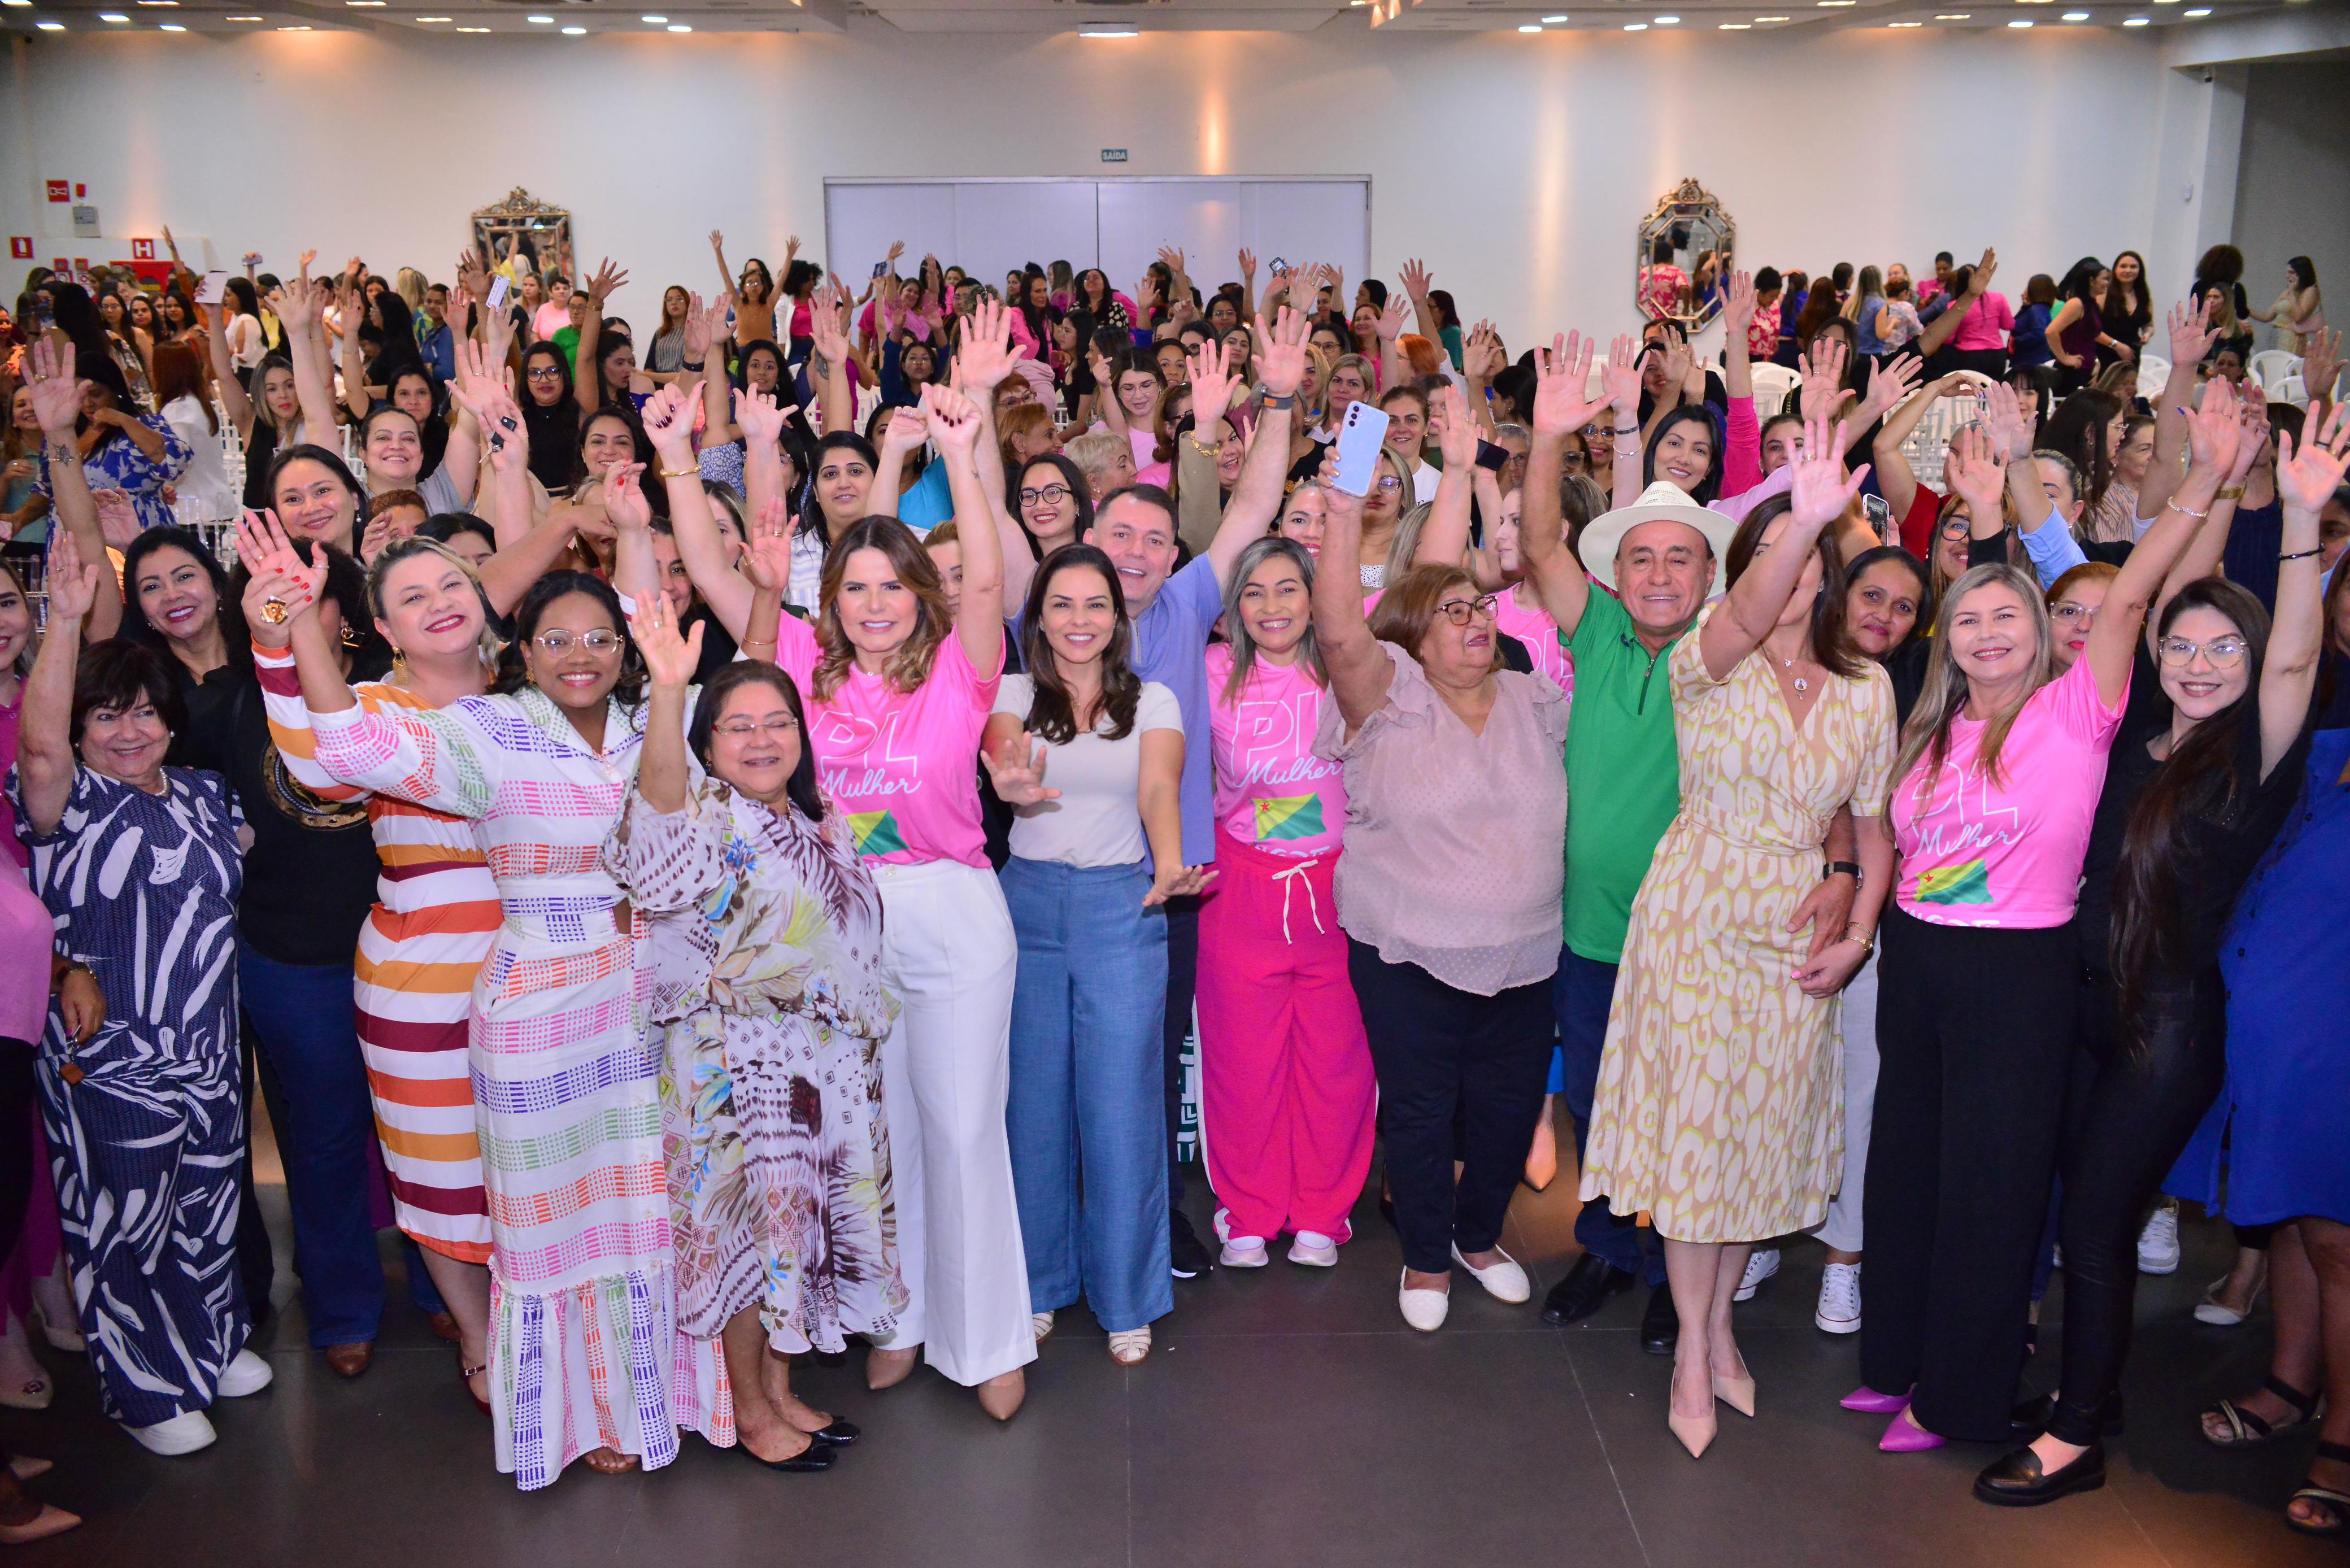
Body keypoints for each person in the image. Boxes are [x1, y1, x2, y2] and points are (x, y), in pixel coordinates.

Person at [286, 494, 727, 1488]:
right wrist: (303, 630)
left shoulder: (657, 715)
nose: (581, 654)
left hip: (649, 1003)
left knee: (651, 1209)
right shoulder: (482, 731)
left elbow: (675, 824)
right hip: (536, 1008)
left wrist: (661, 666)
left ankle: (658, 1395)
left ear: (626, 646)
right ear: (518, 648)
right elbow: (343, 749)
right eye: (556, 639)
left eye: (600, 638)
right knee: (552, 1223)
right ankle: (575, 1416)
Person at [1853, 381, 2235, 1453]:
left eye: (2008, 617)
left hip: (2016, 973)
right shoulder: (1933, 721)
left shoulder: (2080, 711)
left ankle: (1957, 1397)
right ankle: (1897, 1363)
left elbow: (2119, 597)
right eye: (1967, 619)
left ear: (2044, 636)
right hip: (1917, 962)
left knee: (1989, 1191)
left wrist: (2202, 481)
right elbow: (1897, 844)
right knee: (1909, 1171)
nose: (1984, 633)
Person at [1981, 404, 2350, 1506]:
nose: (2197, 661)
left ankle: (2077, 1430)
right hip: (2074, 1009)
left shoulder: (2258, 754)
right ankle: (2073, 1391)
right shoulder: (2135, 716)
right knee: (2066, 1214)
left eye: (2220, 647)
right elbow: (2141, 588)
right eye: (2182, 645)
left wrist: (2295, 512)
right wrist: (2203, 474)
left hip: (2168, 1028)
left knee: (2095, 1222)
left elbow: (2292, 644)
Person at [654, 365, 1038, 1418]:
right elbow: (711, 569)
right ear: (834, 603)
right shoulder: (801, 672)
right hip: (835, 927)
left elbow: (995, 579)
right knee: (884, 1136)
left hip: (951, 910)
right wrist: (680, 458)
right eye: (855, 588)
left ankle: (990, 1337)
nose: (873, 604)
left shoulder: (962, 665)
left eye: (892, 586)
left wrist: (959, 453)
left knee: (962, 1129)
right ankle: (900, 1319)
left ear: (924, 594)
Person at [1579, 409, 1896, 1460]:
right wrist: (1799, 521)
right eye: (1768, 555)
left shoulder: (1867, 687)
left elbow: (1871, 819)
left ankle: (1716, 1332)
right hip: (1699, 915)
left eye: (1808, 553)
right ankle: (1690, 1355)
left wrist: (1855, 921)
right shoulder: (1706, 664)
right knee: (1698, 1144)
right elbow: (1751, 608)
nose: (1791, 572)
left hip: (1798, 937)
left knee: (1754, 1143)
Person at [606, 598, 900, 1473]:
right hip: (737, 1076)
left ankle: (777, 1390)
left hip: (819, 1076)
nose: (762, 740)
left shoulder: (819, 819)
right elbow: (652, 829)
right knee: (744, 1243)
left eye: (779, 723)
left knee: (793, 1242)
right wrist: (667, 689)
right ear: (705, 743)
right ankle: (748, 1413)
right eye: (738, 728)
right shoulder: (700, 815)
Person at [7, 529, 271, 1456]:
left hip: (208, 1044)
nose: (130, 730)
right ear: (81, 728)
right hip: (109, 1058)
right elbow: (38, 748)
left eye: (146, 713)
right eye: (107, 716)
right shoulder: (68, 799)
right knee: (123, 1219)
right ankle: (146, 1387)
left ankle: (209, 1343)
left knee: (208, 1205)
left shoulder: (204, 794)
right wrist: (66, 627)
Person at [1521, 339, 1759, 1349]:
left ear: (1710, 572)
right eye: (1641, 557)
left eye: (1681, 557)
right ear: (1615, 571)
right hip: (1588, 928)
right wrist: (1547, 437)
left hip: (1694, 936)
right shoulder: (1599, 630)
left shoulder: (1726, 654)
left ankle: (1675, 1269)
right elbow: (1538, 547)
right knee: (1593, 1101)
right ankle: (1609, 1247)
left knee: (1675, 1110)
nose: (1659, 573)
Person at [1309, 428, 1567, 1334]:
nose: (1475, 619)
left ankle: (1480, 1236)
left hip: (1530, 953)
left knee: (1503, 1113)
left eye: (1478, 607)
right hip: (1409, 951)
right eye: (1452, 611)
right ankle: (1425, 1255)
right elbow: (1340, 626)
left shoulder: (1538, 696)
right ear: (1413, 636)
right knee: (1421, 1113)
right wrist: (1345, 505)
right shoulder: (1388, 701)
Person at [242, 529, 503, 1414]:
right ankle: (478, 1336)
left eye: (451, 583)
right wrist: (283, 636)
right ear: (387, 629)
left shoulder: (540, 695)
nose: (439, 603)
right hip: (420, 971)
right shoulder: (369, 709)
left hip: (549, 967)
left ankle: (548, 1327)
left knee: (541, 1164)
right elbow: (318, 769)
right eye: (412, 597)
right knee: (437, 1166)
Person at [984, 540, 1206, 1366]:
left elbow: (1157, 786)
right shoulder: (1011, 692)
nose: (1079, 621)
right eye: (1062, 605)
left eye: (1096, 605)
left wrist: (1173, 860)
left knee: (1120, 1109)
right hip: (1027, 906)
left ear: (1119, 618)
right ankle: (1040, 1287)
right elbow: (1005, 756)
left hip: (1124, 904)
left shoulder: (1154, 699)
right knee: (1033, 1107)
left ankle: (1127, 1297)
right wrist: (1009, 784)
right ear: (1039, 616)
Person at [1195, 536, 1373, 1271]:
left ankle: (1322, 1214)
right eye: (1254, 592)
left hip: (1341, 892)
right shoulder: (1208, 674)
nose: (1271, 607)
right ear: (1235, 606)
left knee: (1338, 1063)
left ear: (1315, 598)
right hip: (1241, 890)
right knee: (1243, 1063)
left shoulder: (1350, 670)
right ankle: (1249, 1210)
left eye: (1288, 590)